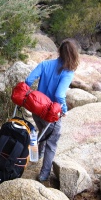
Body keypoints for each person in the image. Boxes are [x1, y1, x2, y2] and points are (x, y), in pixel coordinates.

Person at [25, 38, 80, 182]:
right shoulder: (67, 72)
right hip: (52, 113)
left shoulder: (45, 64)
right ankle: (44, 173)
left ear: (59, 51)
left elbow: (29, 80)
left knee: (41, 129)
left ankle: (38, 154)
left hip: (37, 108)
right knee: (52, 143)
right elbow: (59, 95)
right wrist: (65, 109)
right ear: (74, 55)